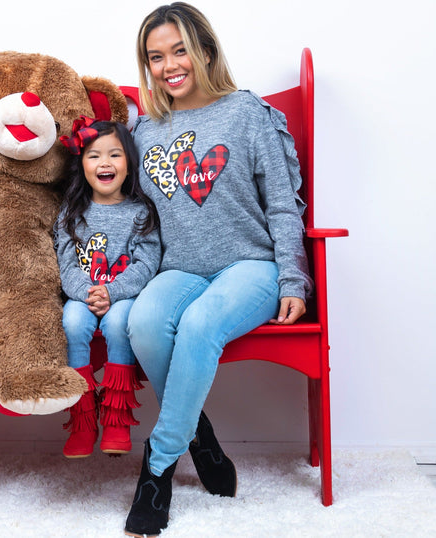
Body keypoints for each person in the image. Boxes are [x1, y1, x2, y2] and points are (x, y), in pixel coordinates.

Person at [123, 3, 313, 536]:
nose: (169, 65)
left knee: (200, 324)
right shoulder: (145, 130)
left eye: (179, 50)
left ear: (205, 51)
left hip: (251, 267)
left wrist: (292, 278)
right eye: (155, 57)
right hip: (179, 269)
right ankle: (198, 437)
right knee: (144, 323)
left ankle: (157, 469)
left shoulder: (246, 112)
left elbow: (283, 204)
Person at [54, 118, 161, 458]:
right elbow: (66, 263)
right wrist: (88, 292)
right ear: (82, 165)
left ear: (129, 163)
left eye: (115, 154)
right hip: (82, 294)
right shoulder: (72, 211)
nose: (105, 163)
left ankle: (117, 419)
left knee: (118, 324)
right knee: (72, 323)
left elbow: (146, 263)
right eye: (94, 155)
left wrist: (112, 292)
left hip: (123, 295)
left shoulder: (140, 212)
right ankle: (83, 420)